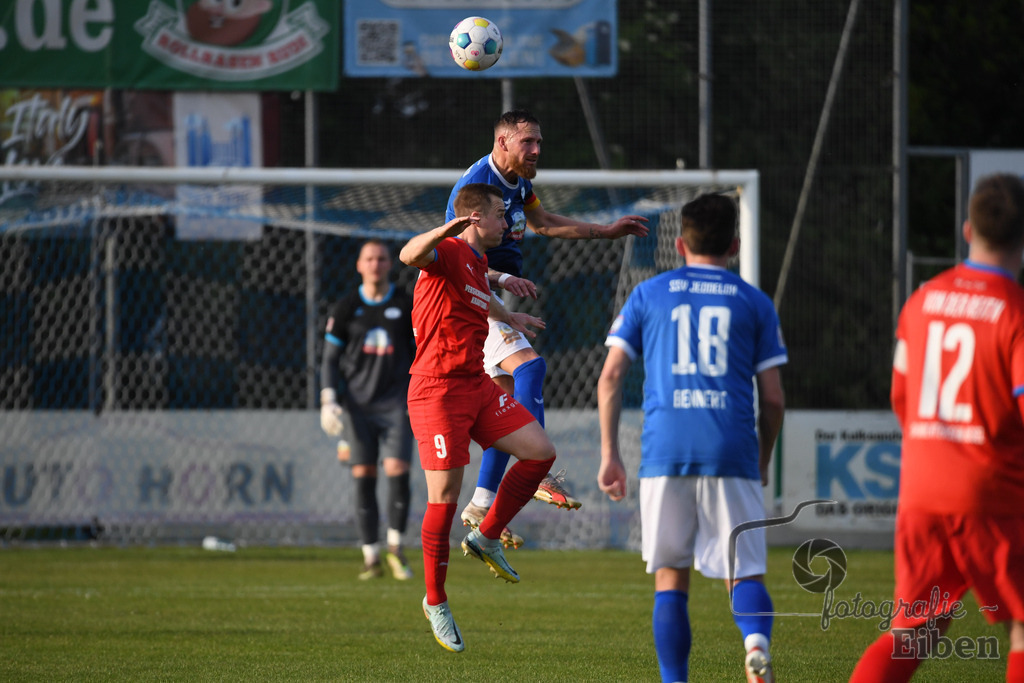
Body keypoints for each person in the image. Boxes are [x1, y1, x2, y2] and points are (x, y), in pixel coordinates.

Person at [596, 193, 786, 683]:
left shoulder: (648, 294)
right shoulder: (754, 301)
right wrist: (762, 457)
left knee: (670, 579)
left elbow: (612, 376)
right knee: (743, 571)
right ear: (736, 245)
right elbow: (773, 399)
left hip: (666, 451)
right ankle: (755, 645)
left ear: (679, 244)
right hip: (731, 449)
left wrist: (610, 455)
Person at [849, 173, 1024, 683]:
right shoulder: (1014, 311)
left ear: (968, 230)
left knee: (914, 630)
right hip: (992, 492)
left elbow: (901, 396)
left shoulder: (922, 301)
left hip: (922, 491)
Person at [446, 109, 650, 545]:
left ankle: (482, 503)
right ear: (502, 142)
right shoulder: (476, 188)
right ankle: (533, 466)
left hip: (492, 296)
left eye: (539, 142)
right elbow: (454, 259)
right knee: (531, 369)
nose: (537, 150)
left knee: (503, 408)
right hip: (474, 299)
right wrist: (496, 296)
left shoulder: (519, 184)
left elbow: (542, 224)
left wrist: (605, 232)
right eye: (528, 143)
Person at [400, 182, 558, 653]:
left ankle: (486, 537)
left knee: (540, 454)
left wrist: (512, 318)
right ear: (474, 219)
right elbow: (410, 255)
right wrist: (442, 230)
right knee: (444, 498)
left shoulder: (477, 262)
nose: (507, 222)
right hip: (436, 391)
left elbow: (479, 296)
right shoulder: (447, 250)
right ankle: (435, 600)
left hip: (475, 386)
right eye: (497, 213)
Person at [320, 239, 416, 581]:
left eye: (381, 258)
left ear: (390, 264)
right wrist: (328, 399)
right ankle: (370, 556)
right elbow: (330, 360)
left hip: (397, 405)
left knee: (398, 471)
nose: (375, 264)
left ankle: (395, 549)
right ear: (359, 265)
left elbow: (419, 352)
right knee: (363, 476)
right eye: (369, 258)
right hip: (357, 408)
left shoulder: (406, 305)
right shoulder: (345, 308)